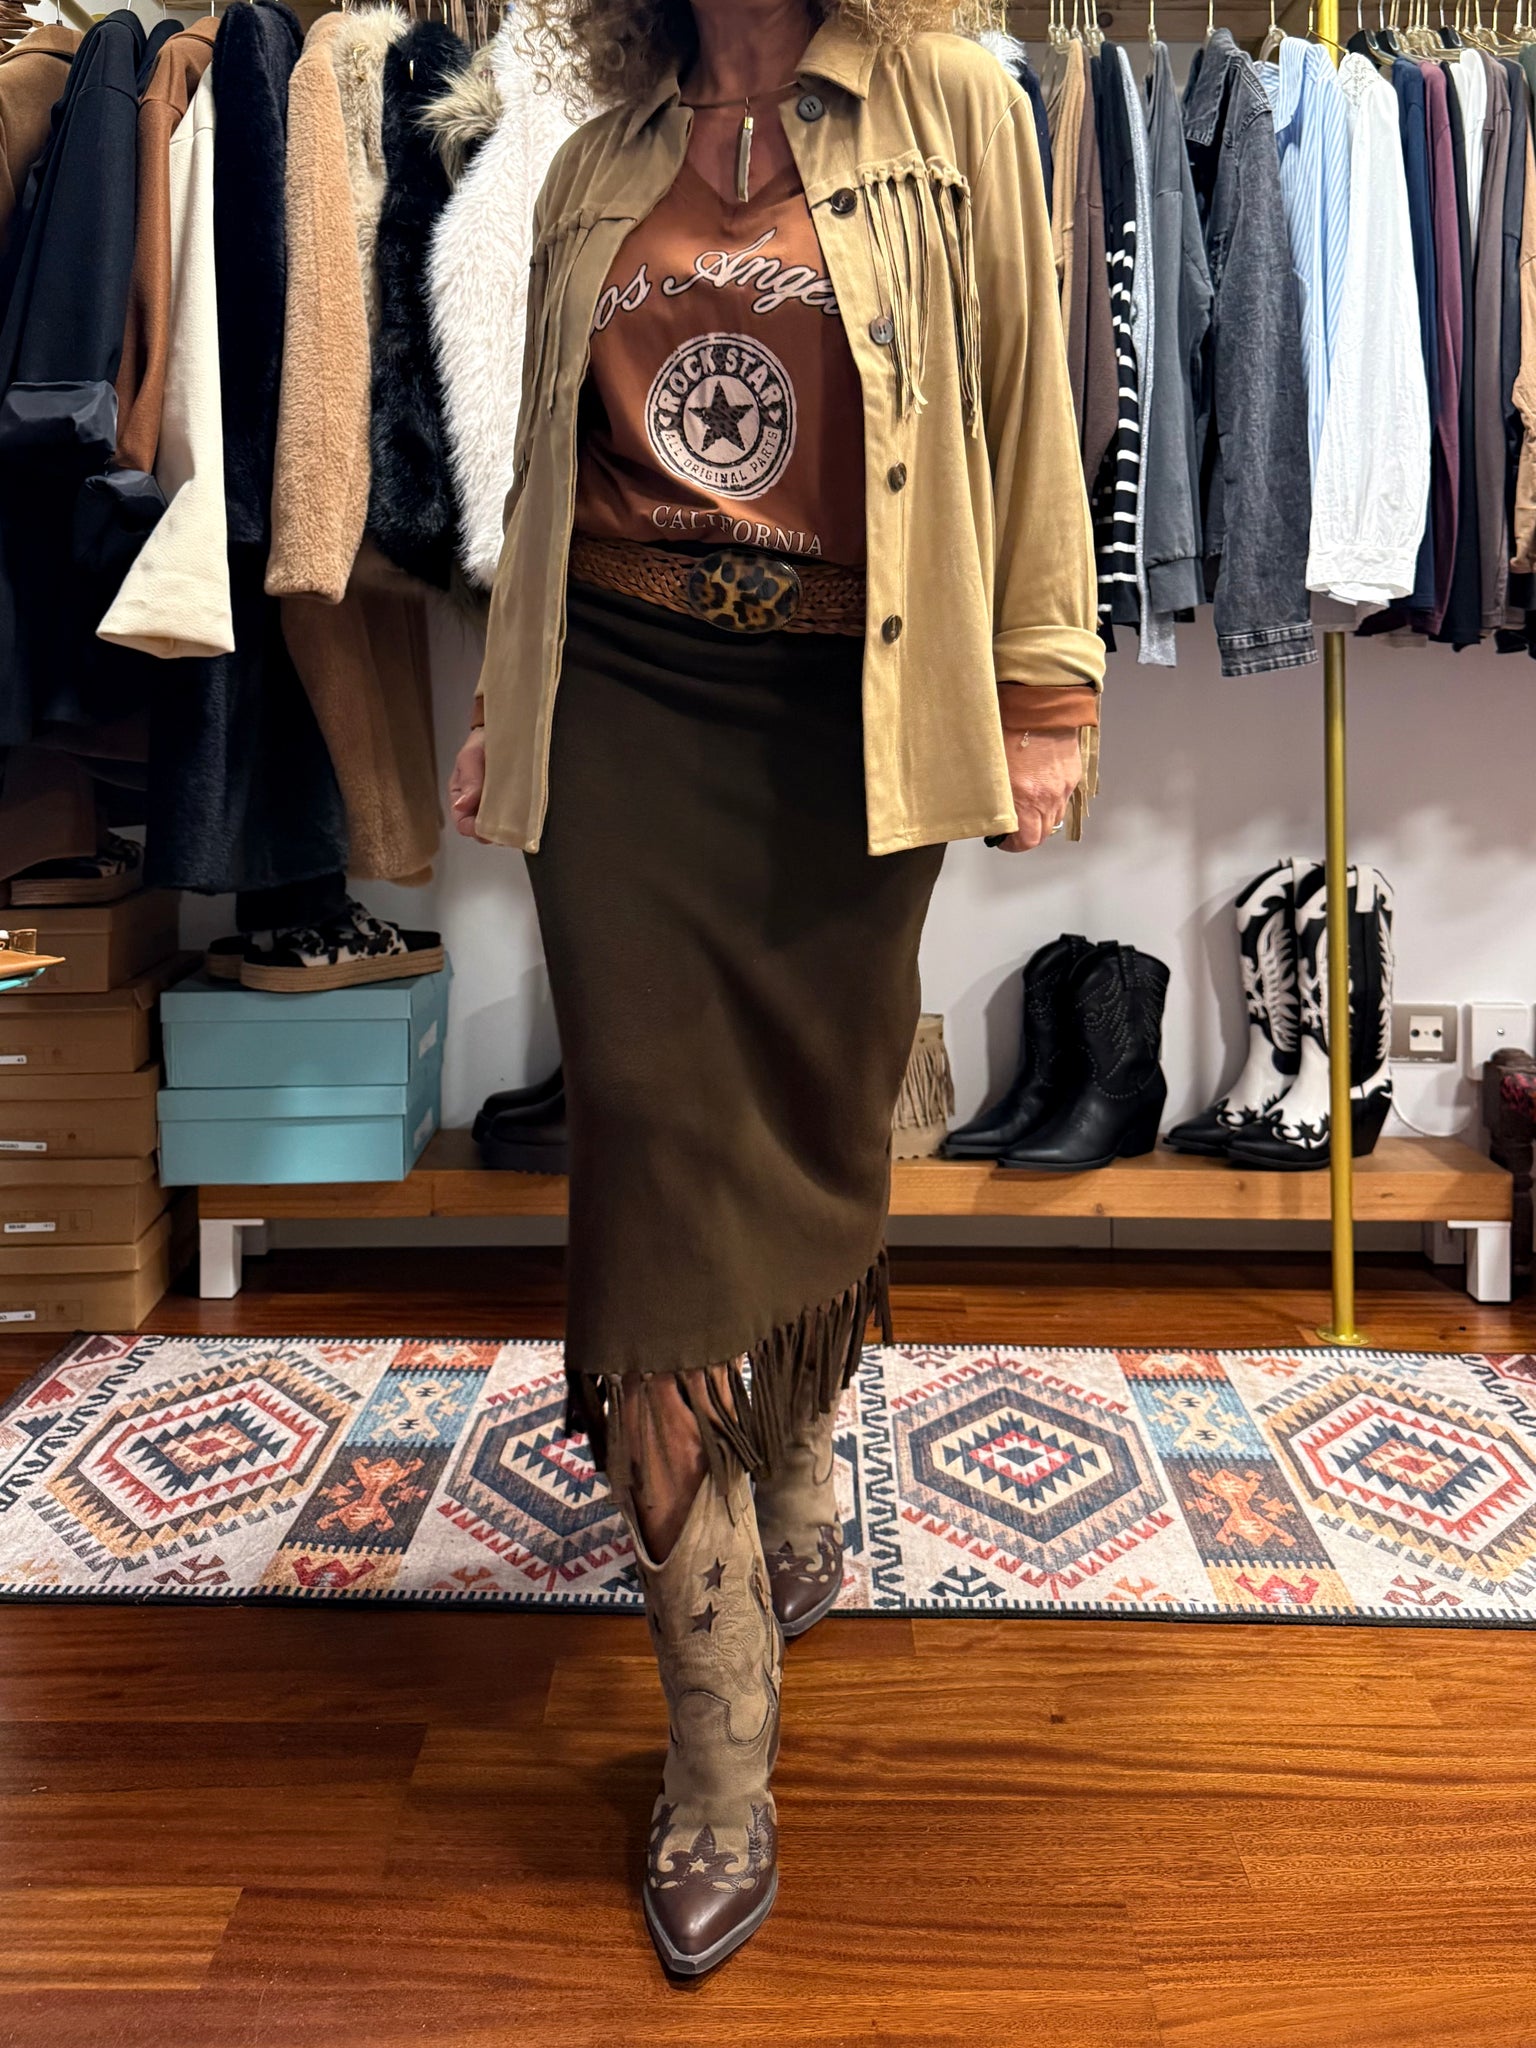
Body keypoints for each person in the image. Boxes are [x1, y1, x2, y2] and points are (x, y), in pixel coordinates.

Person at [448, 0, 1104, 1978]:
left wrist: (1048, 697)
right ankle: (720, 1742)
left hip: (853, 720)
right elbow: (543, 477)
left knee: (817, 1136)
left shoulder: (956, 107)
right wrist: (499, 707)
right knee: (653, 1175)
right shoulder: (592, 158)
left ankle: (799, 1449)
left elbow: (1027, 404)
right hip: (623, 711)